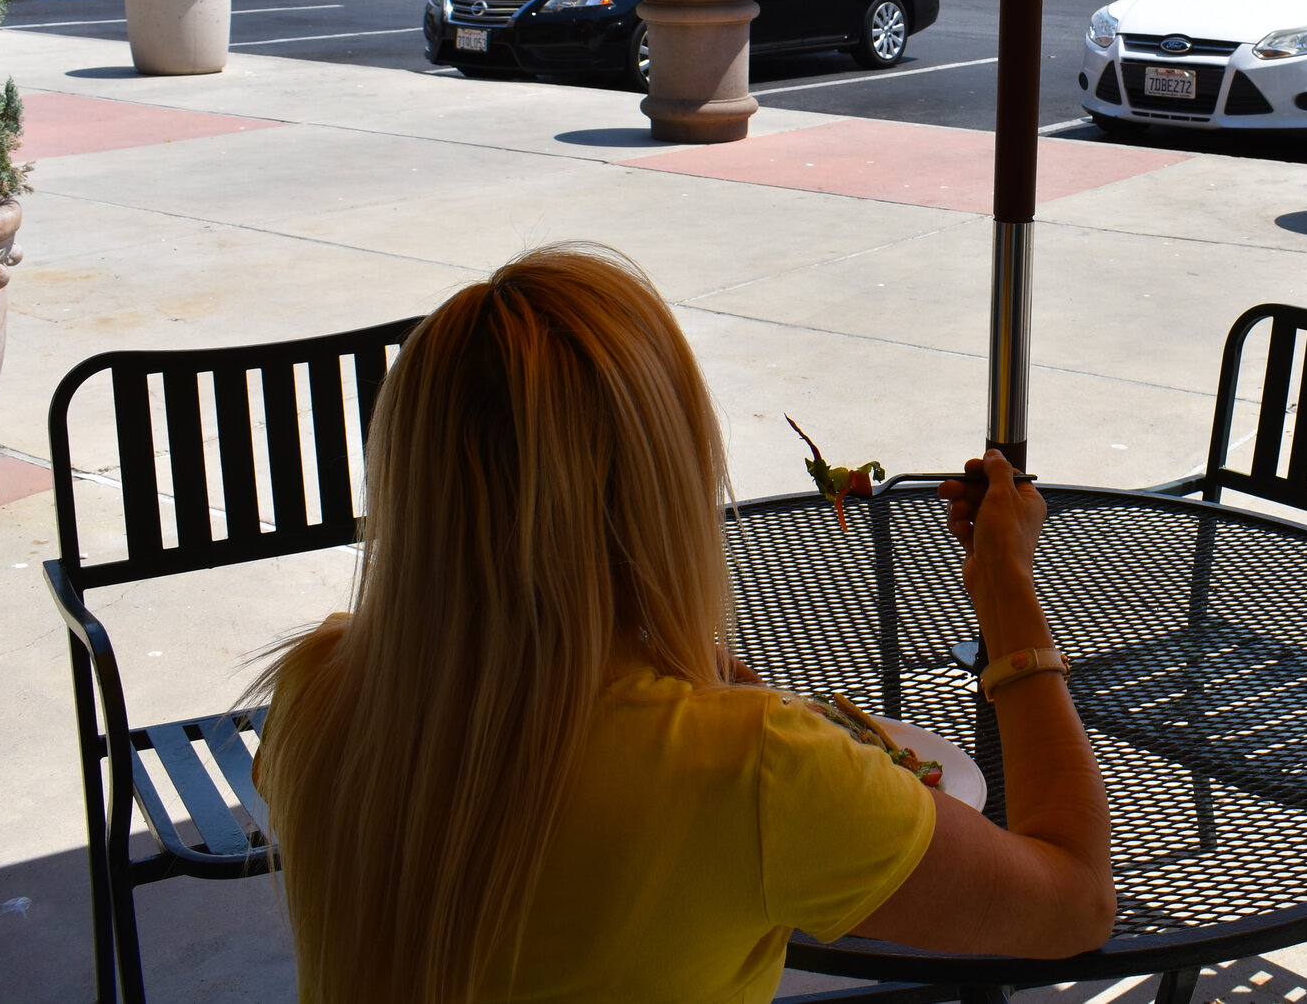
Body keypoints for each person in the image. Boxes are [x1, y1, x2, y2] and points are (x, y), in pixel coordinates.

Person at [254, 246, 1112, 1004]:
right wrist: (1006, 592)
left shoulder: (314, 689)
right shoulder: (755, 768)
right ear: (666, 484)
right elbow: (1074, 903)